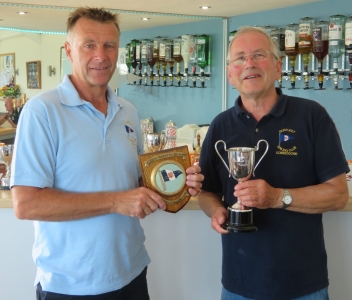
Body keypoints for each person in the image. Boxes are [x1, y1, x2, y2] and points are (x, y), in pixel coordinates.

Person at [11, 7, 203, 300]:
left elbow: (139, 184)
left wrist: (177, 181)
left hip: (132, 274)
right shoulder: (42, 111)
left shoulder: (128, 111)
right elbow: (26, 204)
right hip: (69, 285)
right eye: (89, 45)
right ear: (69, 50)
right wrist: (116, 202)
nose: (101, 55)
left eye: (109, 45)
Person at [198, 26, 349, 300]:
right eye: (240, 58)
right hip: (238, 284)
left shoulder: (312, 116)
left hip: (304, 285)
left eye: (259, 55)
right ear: (231, 74)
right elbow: (207, 192)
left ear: (278, 68)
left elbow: (339, 194)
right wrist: (216, 211)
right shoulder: (220, 126)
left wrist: (279, 197)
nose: (250, 64)